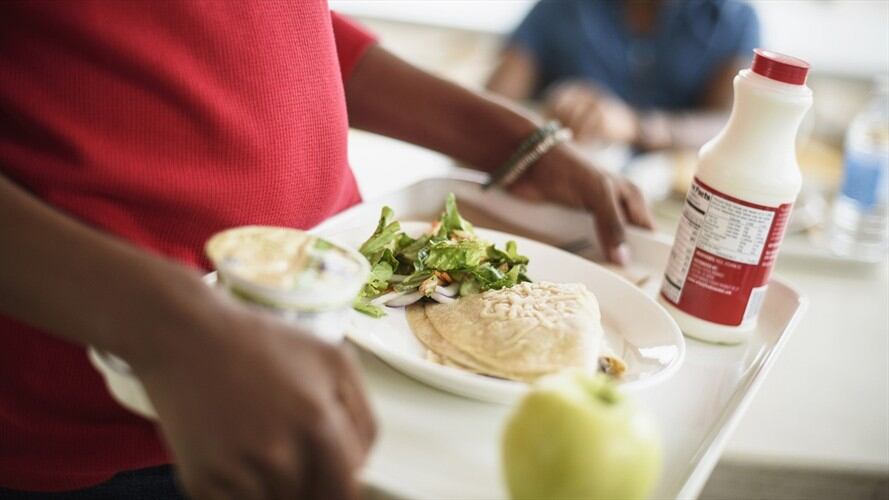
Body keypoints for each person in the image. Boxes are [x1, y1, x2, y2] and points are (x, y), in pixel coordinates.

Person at [0, 2, 652, 499]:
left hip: (338, 356)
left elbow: (276, 29)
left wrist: (510, 140)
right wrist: (167, 329)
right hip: (104, 416)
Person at [487, 0, 760, 151]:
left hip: (667, 203)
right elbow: (492, 102)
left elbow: (730, 124)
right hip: (563, 174)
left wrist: (636, 126)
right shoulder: (560, 7)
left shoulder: (735, 19)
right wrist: (548, 109)